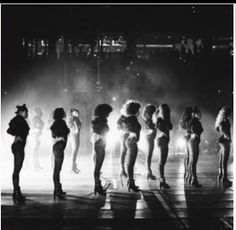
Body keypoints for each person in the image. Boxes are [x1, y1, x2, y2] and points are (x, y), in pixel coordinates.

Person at [7, 104, 30, 203]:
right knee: (16, 170)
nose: (27, 114)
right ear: (21, 112)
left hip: (19, 147)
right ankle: (16, 192)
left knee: (17, 170)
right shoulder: (18, 120)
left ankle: (16, 191)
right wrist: (17, 135)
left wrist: (18, 135)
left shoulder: (21, 120)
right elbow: (9, 130)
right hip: (18, 147)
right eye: (25, 112)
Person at [91, 104, 113, 196]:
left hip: (98, 143)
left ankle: (97, 185)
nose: (108, 114)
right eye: (108, 112)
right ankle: (97, 186)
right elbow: (102, 133)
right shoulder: (101, 122)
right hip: (100, 144)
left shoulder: (95, 121)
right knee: (98, 167)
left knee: (97, 167)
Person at [121, 100, 142, 192]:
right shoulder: (133, 119)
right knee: (131, 163)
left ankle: (131, 182)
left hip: (129, 141)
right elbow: (134, 130)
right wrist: (133, 133)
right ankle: (131, 183)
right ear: (135, 110)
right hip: (132, 142)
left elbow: (123, 128)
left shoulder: (127, 118)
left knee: (130, 163)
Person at [50, 108, 70, 200]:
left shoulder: (58, 122)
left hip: (59, 147)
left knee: (58, 168)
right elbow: (54, 134)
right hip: (58, 147)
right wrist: (58, 138)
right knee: (57, 169)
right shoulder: (59, 122)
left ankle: (57, 188)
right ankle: (57, 189)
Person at [156, 104, 173, 189]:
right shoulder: (159, 119)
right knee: (162, 161)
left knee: (163, 161)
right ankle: (161, 181)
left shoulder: (165, 119)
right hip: (162, 140)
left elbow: (170, 126)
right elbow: (160, 128)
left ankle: (161, 180)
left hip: (164, 141)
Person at [215, 106, 232, 187]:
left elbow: (220, 129)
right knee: (225, 160)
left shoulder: (220, 121)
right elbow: (224, 130)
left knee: (221, 159)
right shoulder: (225, 121)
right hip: (225, 141)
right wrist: (228, 137)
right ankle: (224, 178)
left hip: (221, 141)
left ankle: (220, 175)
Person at [187, 106, 203, 187]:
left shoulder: (193, 121)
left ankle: (191, 177)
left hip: (192, 141)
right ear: (194, 114)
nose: (200, 115)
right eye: (198, 113)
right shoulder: (194, 121)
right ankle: (194, 179)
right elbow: (193, 130)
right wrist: (195, 135)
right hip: (194, 141)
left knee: (192, 161)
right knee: (193, 161)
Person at [142, 104, 157, 180]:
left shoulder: (146, 118)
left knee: (148, 155)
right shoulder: (150, 119)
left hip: (149, 136)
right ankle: (148, 172)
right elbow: (150, 128)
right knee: (149, 154)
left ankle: (148, 171)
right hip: (150, 137)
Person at [179, 107, 192, 183]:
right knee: (190, 157)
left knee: (186, 156)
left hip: (186, 137)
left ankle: (186, 173)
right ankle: (189, 173)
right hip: (189, 137)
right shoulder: (190, 120)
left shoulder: (184, 120)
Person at [67, 108, 82, 174]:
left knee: (74, 153)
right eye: (75, 112)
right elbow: (77, 126)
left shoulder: (70, 118)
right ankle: (72, 168)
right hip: (75, 135)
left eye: (77, 112)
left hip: (72, 135)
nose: (77, 114)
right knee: (74, 153)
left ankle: (73, 167)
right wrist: (77, 131)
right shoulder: (75, 118)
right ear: (72, 113)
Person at [117, 105, 129, 179]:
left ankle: (123, 169)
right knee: (124, 152)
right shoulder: (122, 118)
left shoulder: (123, 118)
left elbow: (118, 127)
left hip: (125, 135)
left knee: (124, 152)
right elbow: (118, 127)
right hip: (124, 135)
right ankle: (122, 169)